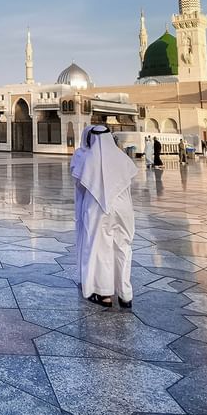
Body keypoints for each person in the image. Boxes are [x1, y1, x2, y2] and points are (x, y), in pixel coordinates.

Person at [72, 124, 136, 310]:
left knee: (99, 249)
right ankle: (125, 294)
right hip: (123, 209)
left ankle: (103, 292)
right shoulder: (121, 157)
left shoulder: (87, 159)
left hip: (98, 208)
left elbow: (80, 184)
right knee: (122, 248)